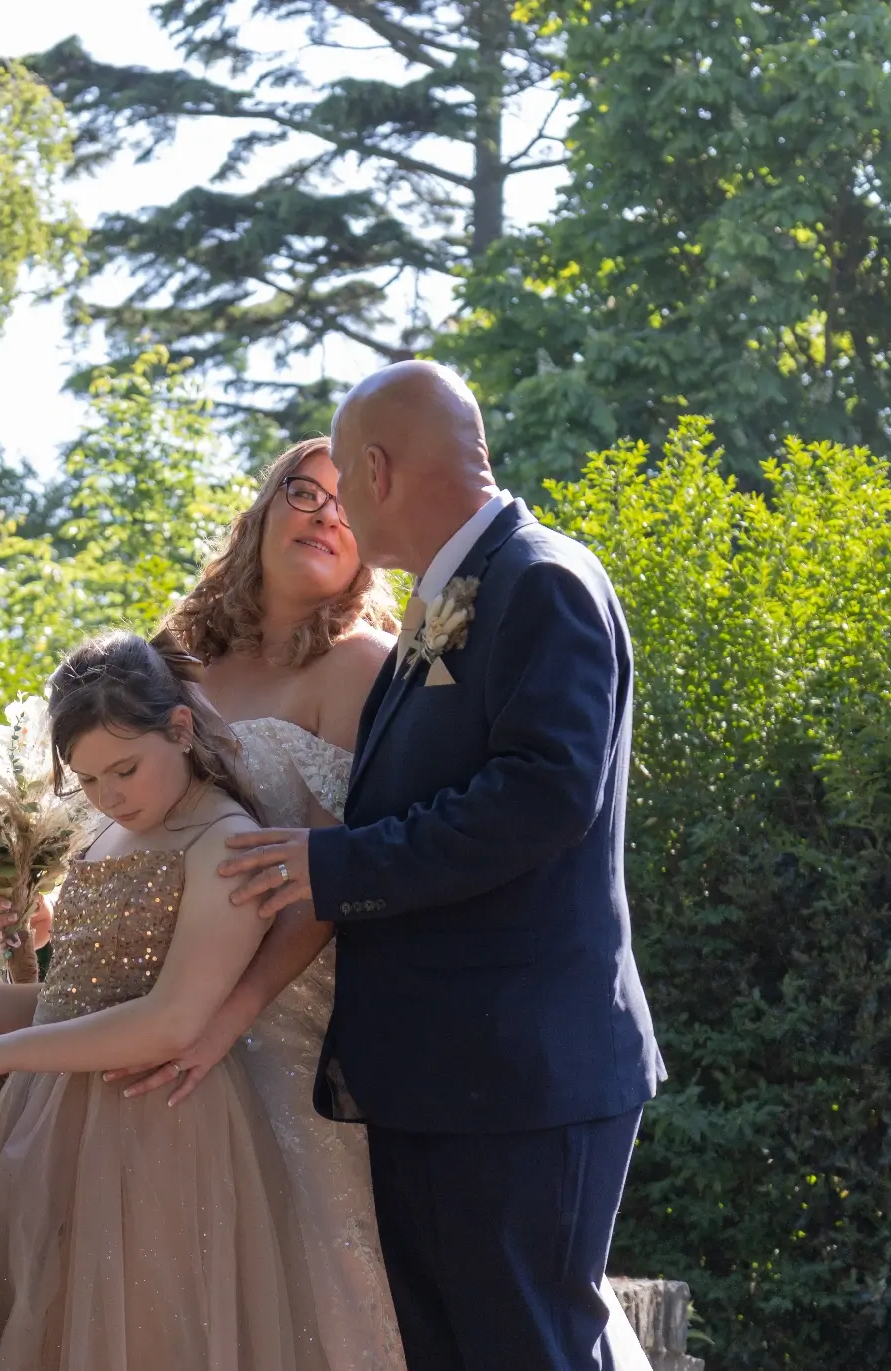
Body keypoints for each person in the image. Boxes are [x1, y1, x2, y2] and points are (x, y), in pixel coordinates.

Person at [217, 361, 666, 1371]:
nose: (341, 504)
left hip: (520, 1073)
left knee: (528, 1348)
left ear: (376, 468)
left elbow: (542, 797)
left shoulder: (541, 580)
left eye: (344, 478)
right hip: (439, 1071)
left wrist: (339, 865)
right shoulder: (447, 599)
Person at [0, 632, 327, 1371]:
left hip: (156, 1127)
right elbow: (73, 1000)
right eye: (88, 779)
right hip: (58, 1124)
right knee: (51, 1326)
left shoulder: (225, 842)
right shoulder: (111, 831)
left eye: (125, 769)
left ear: (179, 730)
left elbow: (173, 1021)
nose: (109, 795)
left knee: (141, 1339)